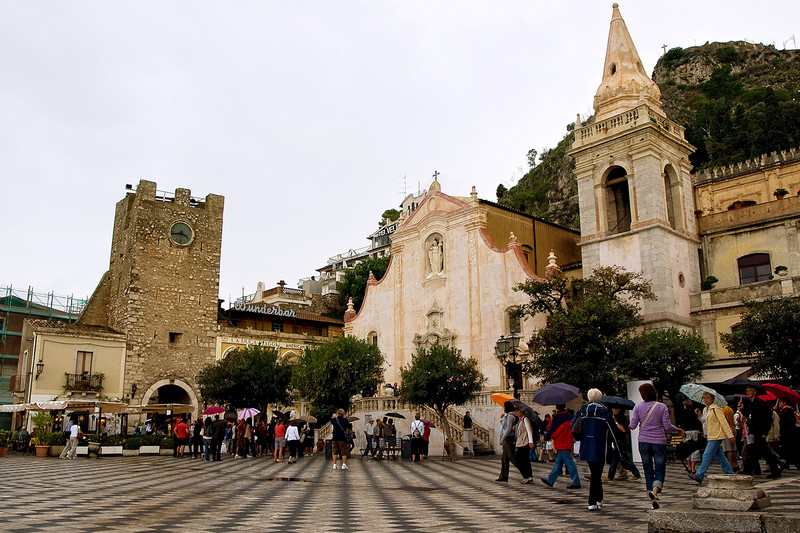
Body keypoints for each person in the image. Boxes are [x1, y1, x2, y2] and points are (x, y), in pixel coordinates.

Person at [629, 383, 685, 510]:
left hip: (643, 442)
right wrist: (678, 430)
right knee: (660, 469)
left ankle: (651, 495)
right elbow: (667, 426)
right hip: (659, 442)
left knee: (648, 469)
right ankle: (654, 491)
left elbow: (632, 425)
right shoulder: (662, 406)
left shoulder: (638, 407)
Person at [575, 389, 615, 511]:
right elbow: (613, 431)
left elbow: (574, 427)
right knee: (596, 473)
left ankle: (599, 498)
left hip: (587, 445)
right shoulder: (605, 413)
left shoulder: (582, 411)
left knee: (595, 473)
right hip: (601, 446)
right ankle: (592, 501)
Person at [688, 392, 735, 483]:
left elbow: (724, 422)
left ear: (712, 399)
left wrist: (730, 435)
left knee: (707, 455)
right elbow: (705, 422)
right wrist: (699, 415)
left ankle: (699, 474)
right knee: (720, 456)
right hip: (709, 435)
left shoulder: (716, 409)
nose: (706, 400)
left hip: (716, 435)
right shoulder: (706, 409)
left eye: (708, 398)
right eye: (704, 398)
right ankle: (729, 472)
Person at [742, 385, 782, 478]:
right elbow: (749, 416)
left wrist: (765, 432)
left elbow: (767, 418)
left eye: (750, 391)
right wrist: (743, 409)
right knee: (755, 452)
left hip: (760, 432)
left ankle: (776, 468)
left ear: (754, 392)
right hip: (754, 431)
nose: (748, 392)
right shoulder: (750, 404)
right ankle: (750, 470)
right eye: (747, 391)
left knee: (763, 452)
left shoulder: (760, 403)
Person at [541, 404, 581, 489]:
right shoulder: (569, 415)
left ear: (557, 408)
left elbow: (552, 429)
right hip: (567, 440)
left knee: (569, 462)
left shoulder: (558, 418)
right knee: (558, 463)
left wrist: (546, 437)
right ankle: (550, 480)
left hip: (561, 441)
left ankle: (576, 481)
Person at [607, 406, 641, 482]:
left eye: (615, 408)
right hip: (616, 440)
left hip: (622, 440)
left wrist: (615, 422)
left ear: (619, 409)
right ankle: (610, 476)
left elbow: (623, 429)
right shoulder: (614, 416)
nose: (613, 410)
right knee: (615, 459)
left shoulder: (622, 418)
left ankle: (636, 474)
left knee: (625, 458)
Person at [677, 399, 703, 474]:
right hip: (694, 431)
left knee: (687, 448)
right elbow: (699, 421)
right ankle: (693, 467)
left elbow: (680, 423)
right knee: (695, 448)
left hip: (686, 431)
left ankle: (689, 466)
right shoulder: (694, 412)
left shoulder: (682, 413)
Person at [496, 402, 517, 482]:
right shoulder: (508, 416)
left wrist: (502, 439)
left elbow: (508, 429)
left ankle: (525, 473)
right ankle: (503, 476)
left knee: (512, 458)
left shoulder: (511, 416)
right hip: (506, 439)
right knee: (504, 458)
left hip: (508, 438)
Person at [513, 408, 535, 484]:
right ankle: (528, 476)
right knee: (524, 460)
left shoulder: (525, 419)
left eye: (517, 411)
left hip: (524, 442)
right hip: (520, 442)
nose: (516, 413)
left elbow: (529, 430)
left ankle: (527, 475)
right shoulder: (520, 420)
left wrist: (531, 441)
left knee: (520, 460)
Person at [776, 399, 799, 469]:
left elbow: (781, 418)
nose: (779, 403)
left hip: (788, 433)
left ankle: (790, 463)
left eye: (780, 402)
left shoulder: (787, 411)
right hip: (787, 433)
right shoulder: (786, 410)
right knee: (786, 449)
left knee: (788, 449)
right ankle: (787, 463)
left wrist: (776, 411)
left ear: (784, 402)